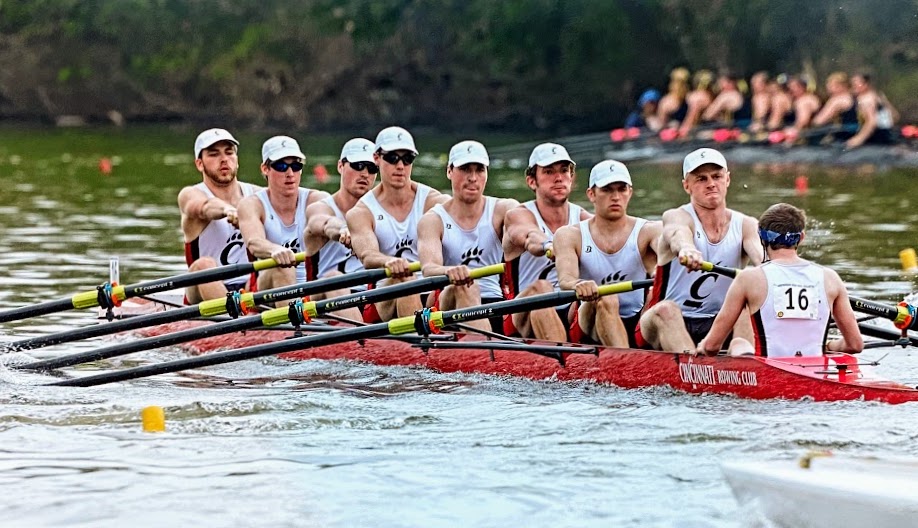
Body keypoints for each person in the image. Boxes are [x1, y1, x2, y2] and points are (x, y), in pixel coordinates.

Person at [638, 148, 763, 352]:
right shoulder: (677, 216)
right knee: (666, 310)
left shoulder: (747, 225)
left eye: (716, 177)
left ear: (727, 180)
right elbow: (677, 233)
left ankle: (747, 366)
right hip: (666, 320)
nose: (711, 184)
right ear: (686, 185)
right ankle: (694, 368)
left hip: (721, 320)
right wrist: (686, 249)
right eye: (701, 179)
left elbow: (763, 260)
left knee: (745, 302)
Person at [697, 203, 863, 357]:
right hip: (816, 371)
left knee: (739, 342)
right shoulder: (830, 278)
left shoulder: (749, 278)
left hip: (769, 373)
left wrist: (702, 347)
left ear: (762, 239)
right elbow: (855, 345)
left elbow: (712, 347)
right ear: (801, 237)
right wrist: (829, 346)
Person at [554, 160, 661, 348]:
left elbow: (667, 253)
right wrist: (579, 284)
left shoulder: (650, 230)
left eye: (621, 189)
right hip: (588, 320)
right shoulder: (570, 235)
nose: (616, 197)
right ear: (591, 194)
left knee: (662, 301)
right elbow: (566, 279)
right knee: (606, 297)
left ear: (630, 192)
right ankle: (626, 364)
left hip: (636, 320)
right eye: (607, 190)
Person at [346, 126, 448, 321]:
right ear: (376, 158)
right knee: (405, 278)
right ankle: (421, 347)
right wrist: (389, 262)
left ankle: (484, 346)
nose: (400, 165)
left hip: (428, 292)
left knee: (463, 288)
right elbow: (368, 256)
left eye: (407, 159)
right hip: (383, 298)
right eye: (392, 158)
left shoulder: (434, 201)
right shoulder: (361, 212)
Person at [417, 140, 519, 332]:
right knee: (466, 286)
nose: (473, 177)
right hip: (448, 303)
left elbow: (526, 230)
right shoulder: (433, 220)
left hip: (495, 302)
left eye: (479, 170)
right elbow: (428, 268)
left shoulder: (504, 209)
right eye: (465, 169)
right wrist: (449, 271)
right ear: (449, 171)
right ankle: (488, 354)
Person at [502, 143, 591, 341]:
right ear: (532, 181)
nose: (558, 178)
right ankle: (564, 364)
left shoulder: (585, 219)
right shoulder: (518, 215)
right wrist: (549, 246)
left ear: (572, 177)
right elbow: (530, 238)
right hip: (520, 314)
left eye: (564, 170)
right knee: (542, 288)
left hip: (570, 310)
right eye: (549, 172)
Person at [238, 136, 329, 298]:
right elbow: (254, 242)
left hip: (310, 290)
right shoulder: (252, 204)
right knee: (282, 267)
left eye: (296, 166)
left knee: (333, 277)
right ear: (265, 169)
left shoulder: (317, 199)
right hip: (265, 290)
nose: (290, 173)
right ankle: (293, 322)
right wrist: (275, 250)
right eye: (281, 166)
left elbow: (328, 222)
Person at [178, 128, 261, 304]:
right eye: (214, 154)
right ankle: (232, 323)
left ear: (237, 160)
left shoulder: (256, 194)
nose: (224, 159)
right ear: (199, 164)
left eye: (229, 152)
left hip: (249, 286)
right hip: (203, 290)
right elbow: (204, 207)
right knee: (204, 264)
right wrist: (229, 211)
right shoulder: (191, 194)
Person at [303, 137, 377, 322]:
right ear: (340, 166)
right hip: (323, 300)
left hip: (371, 296)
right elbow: (322, 223)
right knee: (334, 278)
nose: (365, 174)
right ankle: (361, 342)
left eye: (371, 168)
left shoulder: (382, 211)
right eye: (358, 165)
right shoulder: (321, 207)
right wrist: (343, 229)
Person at [846, 73, 899, 148]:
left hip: (877, 135)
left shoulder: (866, 99)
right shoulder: (877, 95)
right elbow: (895, 116)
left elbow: (872, 122)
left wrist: (858, 139)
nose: (853, 86)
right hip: (887, 133)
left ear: (866, 84)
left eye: (856, 83)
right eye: (852, 84)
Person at [781, 76, 821, 143]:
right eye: (789, 87)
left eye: (793, 87)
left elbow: (803, 122)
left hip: (809, 135)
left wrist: (790, 131)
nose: (790, 90)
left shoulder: (804, 100)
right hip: (810, 131)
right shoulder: (802, 99)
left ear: (802, 87)